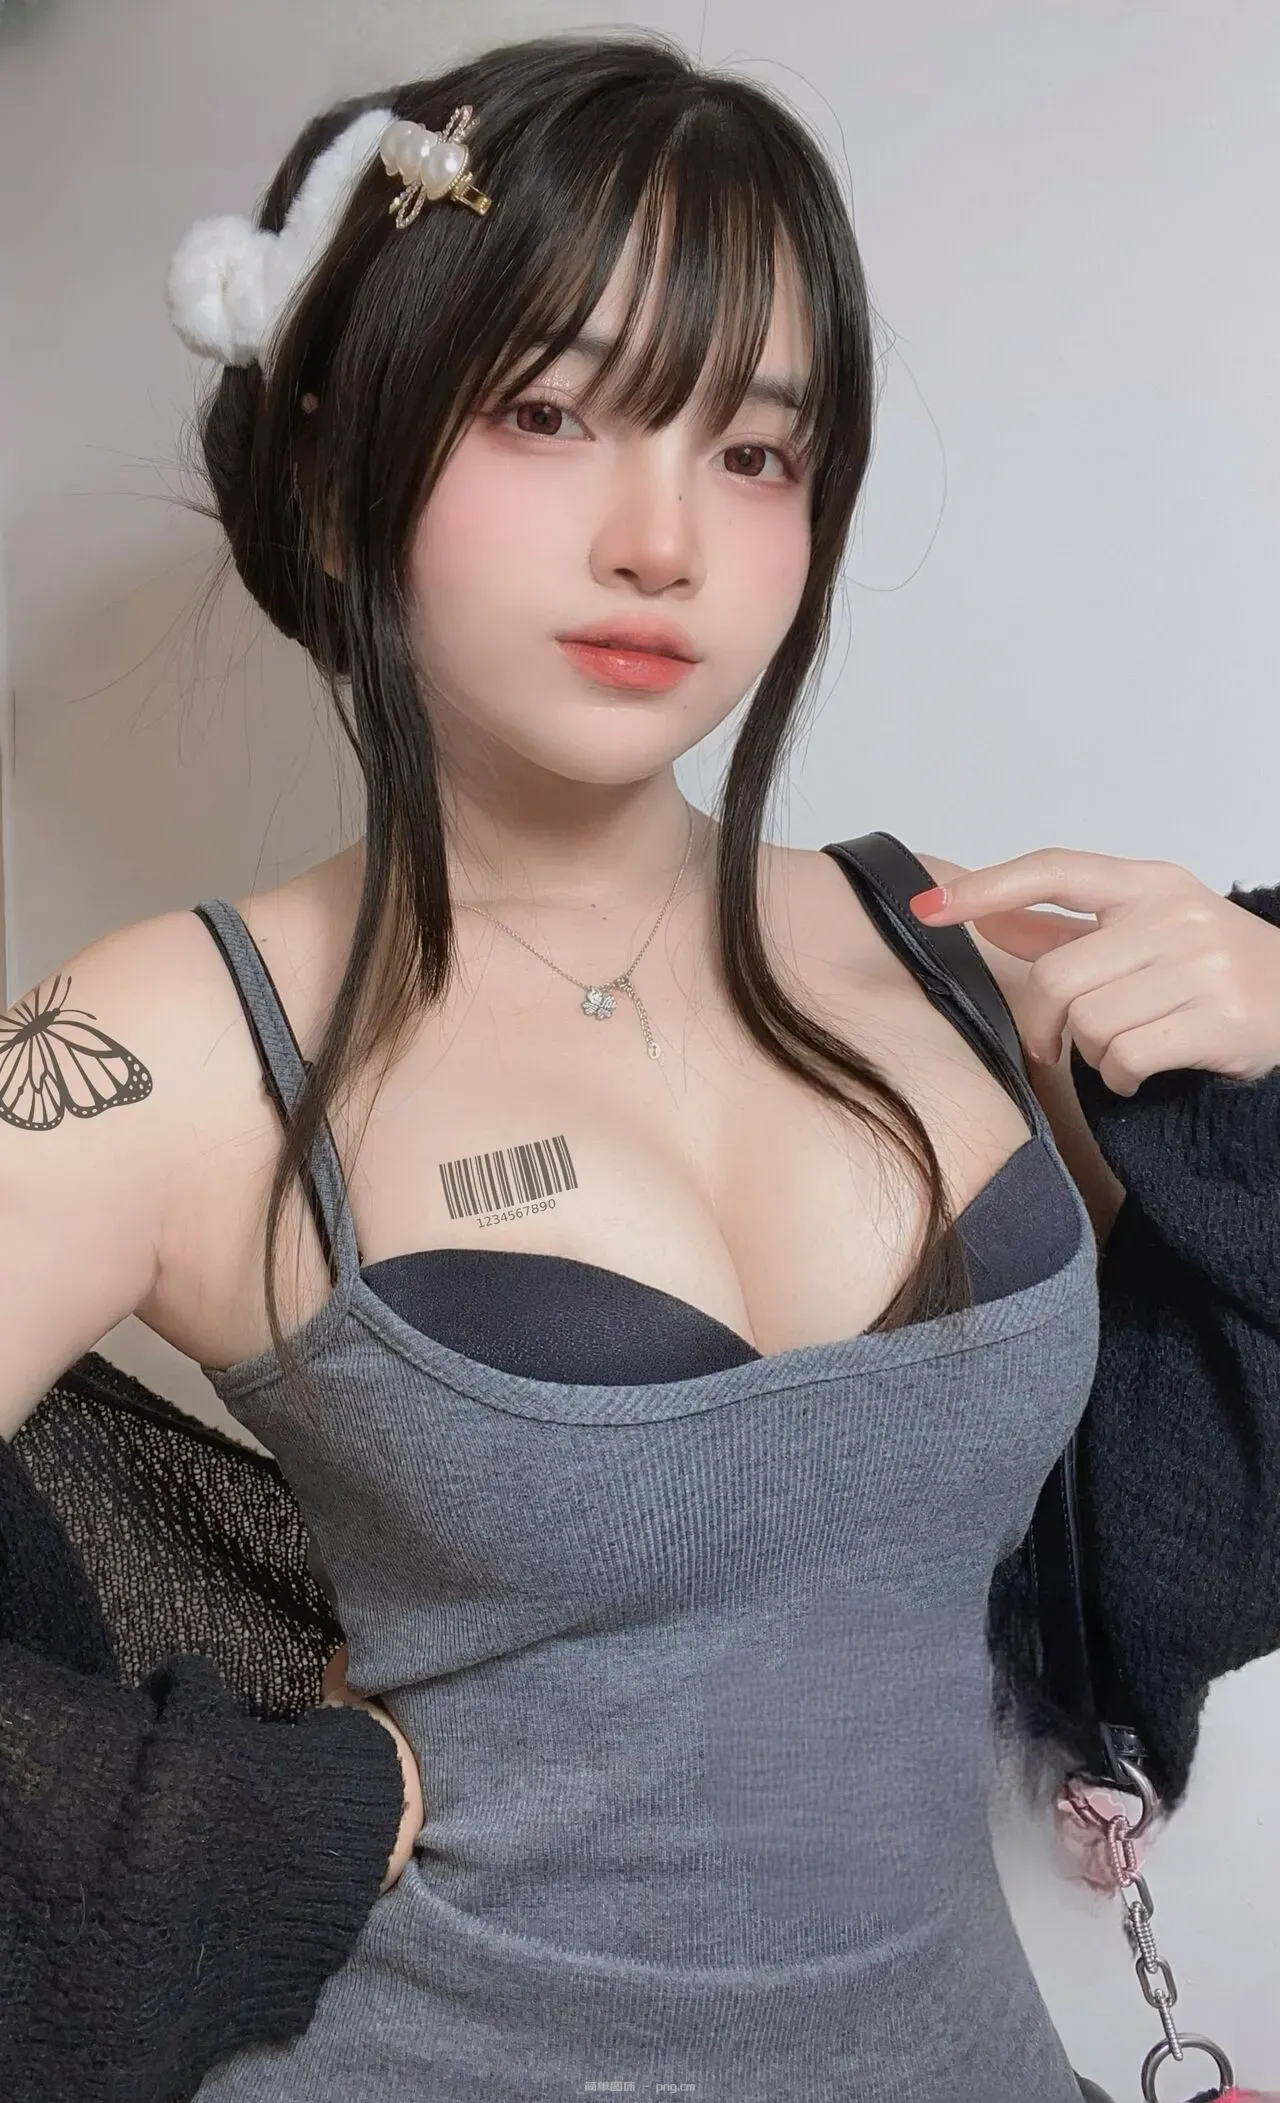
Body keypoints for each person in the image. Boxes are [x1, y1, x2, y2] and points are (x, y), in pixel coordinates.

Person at [4, 28, 1278, 2103]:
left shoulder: (961, 952)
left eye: (756, 450)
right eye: (548, 411)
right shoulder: (171, 1045)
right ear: (337, 452)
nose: (662, 540)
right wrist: (219, 1833)